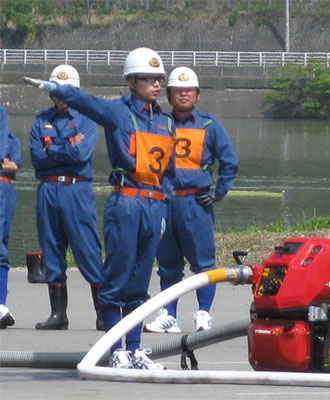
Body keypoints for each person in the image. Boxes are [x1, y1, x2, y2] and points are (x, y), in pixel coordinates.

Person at [24, 48, 175, 370]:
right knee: (116, 280)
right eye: (148, 78)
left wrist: (165, 211)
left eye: (159, 78)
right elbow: (86, 102)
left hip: (154, 206)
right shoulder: (117, 113)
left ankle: (134, 349)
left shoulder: (166, 121)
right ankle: (114, 349)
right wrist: (55, 88)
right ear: (131, 82)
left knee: (139, 284)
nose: (157, 84)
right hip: (127, 203)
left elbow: (170, 175)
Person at [144, 67, 238, 334]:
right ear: (169, 95)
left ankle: (203, 313)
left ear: (197, 95)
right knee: (167, 264)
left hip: (195, 204)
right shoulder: (159, 122)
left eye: (188, 91)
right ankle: (169, 316)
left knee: (204, 262)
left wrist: (219, 192)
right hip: (165, 202)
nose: (183, 95)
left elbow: (229, 161)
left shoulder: (209, 125)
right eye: (178, 91)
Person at [28, 65, 104, 331]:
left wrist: (52, 149)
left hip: (76, 190)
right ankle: (58, 315)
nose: (62, 96)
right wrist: (67, 146)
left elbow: (81, 155)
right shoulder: (41, 119)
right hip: (48, 189)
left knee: (87, 250)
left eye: (67, 90)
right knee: (51, 249)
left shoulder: (86, 119)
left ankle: (103, 313)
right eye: (58, 90)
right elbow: (37, 157)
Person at [0, 113, 22, 329]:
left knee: (2, 247)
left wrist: (5, 164)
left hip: (5, 189)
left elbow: (14, 165)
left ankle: (1, 304)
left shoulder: (11, 138)